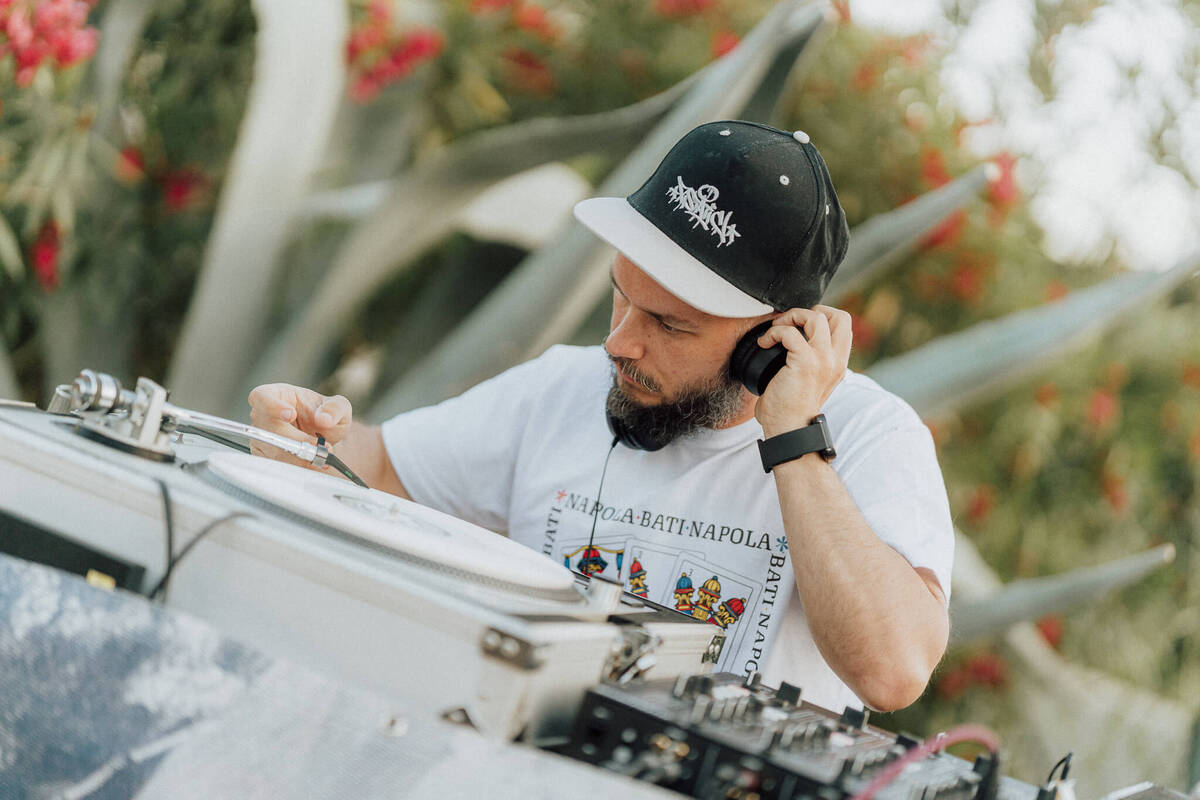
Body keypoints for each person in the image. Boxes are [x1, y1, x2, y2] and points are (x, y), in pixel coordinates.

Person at [249, 121, 953, 712]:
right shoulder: (559, 388)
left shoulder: (870, 438)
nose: (619, 343)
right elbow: (378, 468)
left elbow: (892, 673)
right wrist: (305, 439)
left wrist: (794, 438)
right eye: (621, 295)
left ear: (770, 341)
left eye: (669, 325)